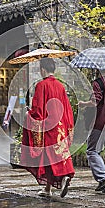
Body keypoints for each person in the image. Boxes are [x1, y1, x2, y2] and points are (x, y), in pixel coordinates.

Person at [21, 58, 75, 198]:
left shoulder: (41, 85)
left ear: (42, 69)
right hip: (60, 126)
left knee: (49, 157)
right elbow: (67, 109)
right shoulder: (60, 86)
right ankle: (48, 189)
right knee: (59, 154)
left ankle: (63, 178)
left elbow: (38, 110)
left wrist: (29, 113)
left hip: (47, 127)